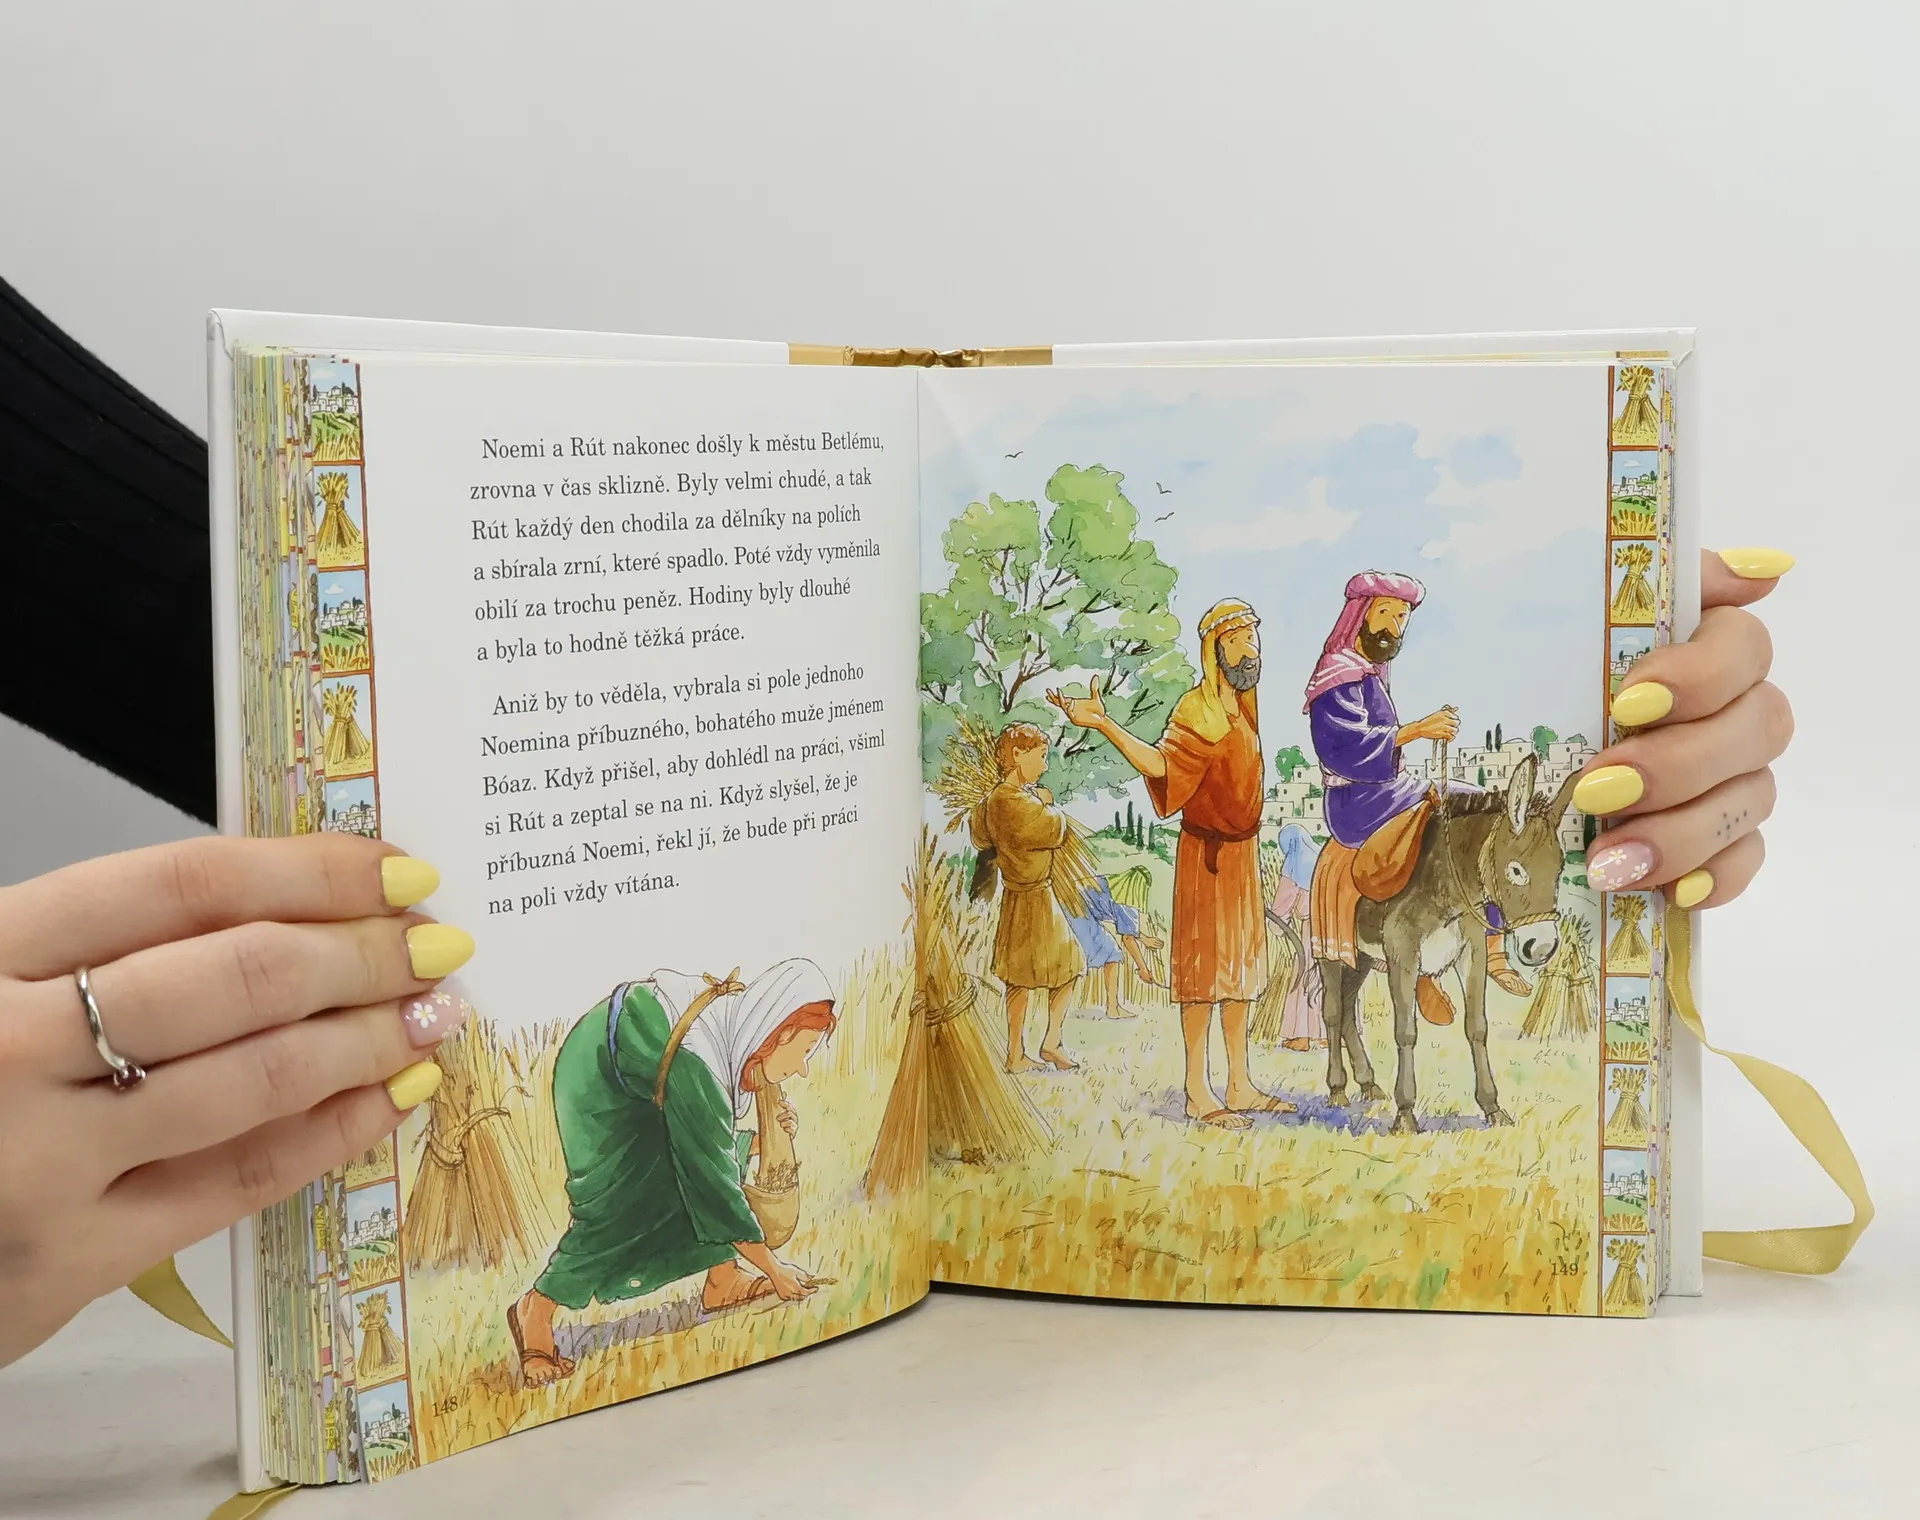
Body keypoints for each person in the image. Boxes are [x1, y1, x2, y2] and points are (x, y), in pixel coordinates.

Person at [0, 551, 1796, 1370]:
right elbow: (1219, 783)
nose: (1349, 643)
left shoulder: (1282, 699)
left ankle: (1273, 1061)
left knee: (1262, 956)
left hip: (1210, 869)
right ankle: (576, 1303)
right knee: (1232, 955)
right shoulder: (1274, 708)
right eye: (1355, 627)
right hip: (1215, 864)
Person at [508, 960, 835, 1385]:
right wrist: (775, 1270)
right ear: (781, 1033)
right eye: (805, 1051)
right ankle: (535, 1310)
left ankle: (723, 1282)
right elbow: (713, 1180)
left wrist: (765, 1139)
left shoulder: (740, 1031)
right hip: (597, 1072)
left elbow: (707, 1134)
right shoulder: (699, 1061)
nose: (803, 1067)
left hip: (652, 1078)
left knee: (696, 1165)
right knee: (616, 1203)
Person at [1051, 599, 1291, 1127]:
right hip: (1205, 859)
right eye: (1237, 641)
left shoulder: (1244, 707)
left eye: (1252, 638)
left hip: (1242, 855)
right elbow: (1161, 764)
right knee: (1203, 974)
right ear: (1214, 652)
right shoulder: (1194, 710)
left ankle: (1240, 1083)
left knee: (1239, 970)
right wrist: (1105, 724)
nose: (1249, 650)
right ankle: (1197, 1091)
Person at [1305, 569, 1529, 1019]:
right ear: (1360, 616)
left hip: (1391, 789)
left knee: (1482, 808)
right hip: (1357, 802)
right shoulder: (1337, 676)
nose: (1393, 626)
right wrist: (1418, 730)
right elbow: (1344, 750)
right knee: (1467, 811)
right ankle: (1431, 967)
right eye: (1385, 613)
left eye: (1401, 617)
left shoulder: (1369, 674)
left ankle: (1490, 943)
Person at [970, 723, 1084, 1073]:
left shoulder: (991, 802)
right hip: (1036, 898)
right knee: (1070, 964)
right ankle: (1047, 1043)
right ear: (1018, 755)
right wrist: (1048, 803)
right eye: (1041, 756)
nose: (1045, 765)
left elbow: (979, 837)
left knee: (1018, 977)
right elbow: (1056, 830)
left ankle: (1019, 1052)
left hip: (1015, 898)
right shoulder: (1020, 803)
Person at [1067, 873, 1164, 1020]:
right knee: (1112, 953)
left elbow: (1126, 928)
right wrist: (1143, 970)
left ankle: (1113, 1007)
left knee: (1087, 954)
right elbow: (1128, 938)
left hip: (1070, 905)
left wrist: (1144, 939)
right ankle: (1113, 1008)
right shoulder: (1127, 900)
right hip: (1076, 911)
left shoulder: (1116, 886)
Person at [1265, 823, 1326, 1050]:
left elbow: (1281, 911)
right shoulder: (1322, 859)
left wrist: (1276, 928)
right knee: (1330, 980)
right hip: (1334, 931)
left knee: (1305, 979)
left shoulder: (1293, 866)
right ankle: (1328, 1035)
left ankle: (1302, 1037)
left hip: (1310, 935)